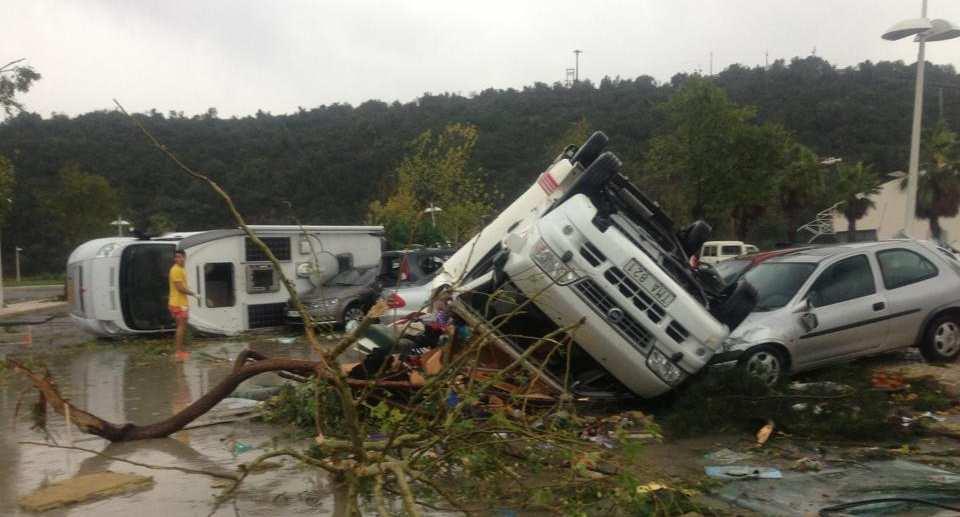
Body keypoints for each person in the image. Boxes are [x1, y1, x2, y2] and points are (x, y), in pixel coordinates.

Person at [168, 250, 196, 361]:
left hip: (179, 303)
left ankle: (180, 351)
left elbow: (182, 286)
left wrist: (188, 290)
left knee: (181, 328)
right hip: (178, 304)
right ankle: (178, 353)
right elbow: (179, 288)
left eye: (180, 257)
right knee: (181, 328)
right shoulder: (175, 270)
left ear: (184, 257)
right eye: (176, 257)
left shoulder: (181, 269)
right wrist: (193, 294)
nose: (177, 259)